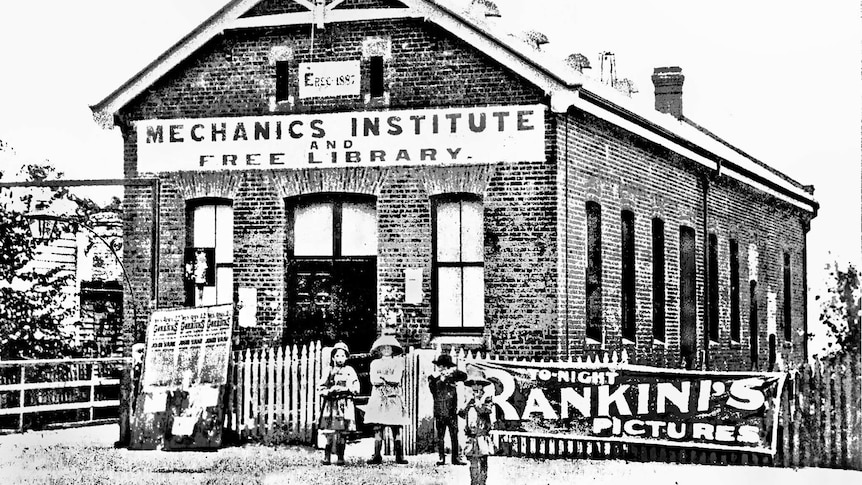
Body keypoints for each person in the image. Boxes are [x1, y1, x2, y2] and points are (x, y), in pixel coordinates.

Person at [364, 333, 409, 464]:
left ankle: (399, 456)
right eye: (383, 348)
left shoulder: (397, 363)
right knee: (378, 427)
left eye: (389, 348)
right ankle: (377, 455)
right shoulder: (375, 363)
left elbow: (396, 379)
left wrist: (385, 378)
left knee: (396, 428)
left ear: (393, 349)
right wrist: (385, 379)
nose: (386, 350)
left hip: (393, 397)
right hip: (379, 397)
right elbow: (374, 380)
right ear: (379, 349)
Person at [317, 341, 359, 465]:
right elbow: (320, 387)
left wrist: (346, 389)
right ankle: (327, 456)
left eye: (343, 356)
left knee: (342, 432)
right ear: (333, 357)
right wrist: (330, 391)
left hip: (344, 404)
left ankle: (340, 456)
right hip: (331, 405)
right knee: (329, 432)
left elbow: (356, 387)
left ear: (346, 357)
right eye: (337, 356)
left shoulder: (350, 370)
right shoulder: (328, 370)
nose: (340, 359)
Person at [458, 365, 496, 485]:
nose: (475, 387)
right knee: (473, 461)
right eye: (473, 385)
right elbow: (462, 414)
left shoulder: (487, 399)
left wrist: (478, 402)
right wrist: (467, 404)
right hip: (472, 435)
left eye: (478, 384)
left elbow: (486, 411)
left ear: (483, 386)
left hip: (482, 435)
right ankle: (474, 482)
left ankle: (482, 481)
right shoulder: (470, 400)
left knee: (483, 460)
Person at [428, 353, 467, 465]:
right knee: (440, 435)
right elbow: (433, 391)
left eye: (445, 366)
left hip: (451, 411)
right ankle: (441, 457)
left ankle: (455, 458)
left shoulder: (453, 377)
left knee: (454, 435)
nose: (442, 368)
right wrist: (441, 379)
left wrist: (452, 373)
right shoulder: (433, 378)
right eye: (441, 366)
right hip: (439, 410)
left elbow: (464, 376)